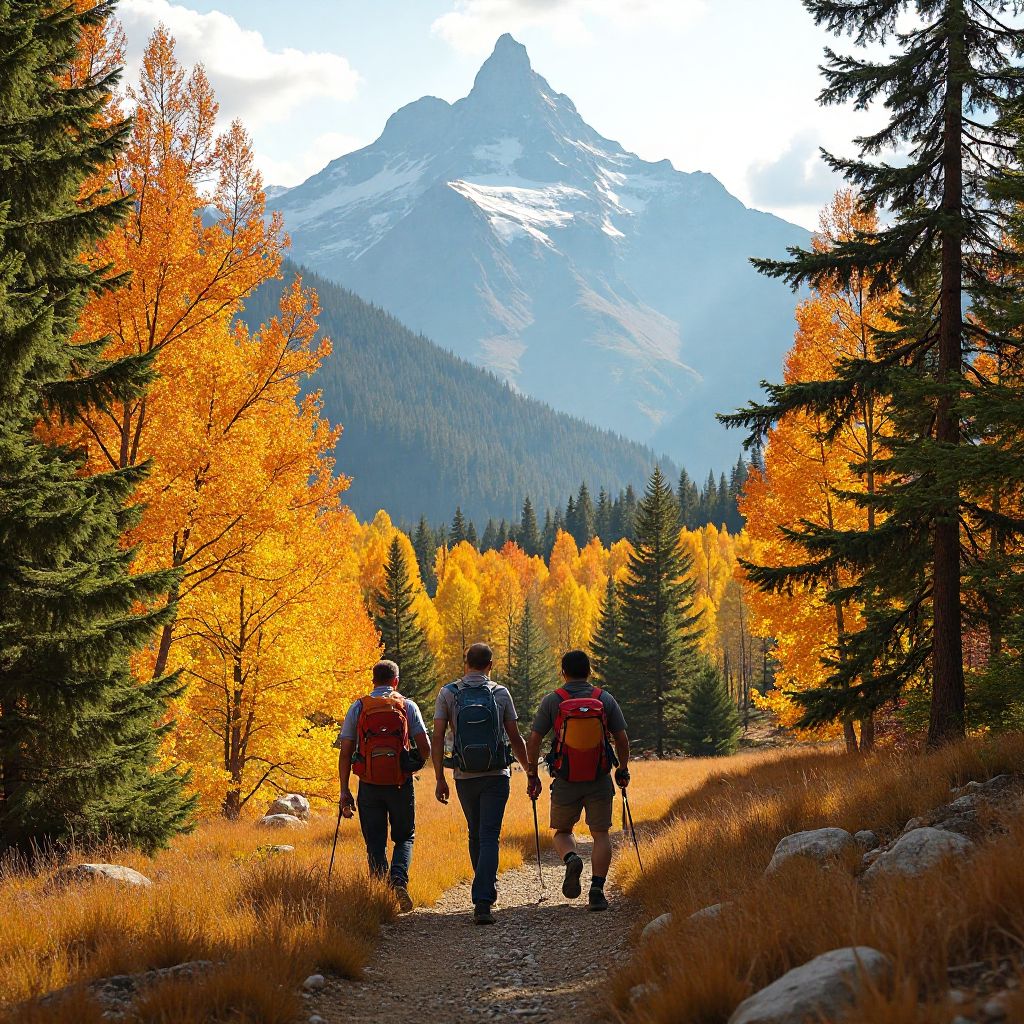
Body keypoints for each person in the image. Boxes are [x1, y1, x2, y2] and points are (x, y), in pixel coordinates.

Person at [431, 642, 530, 925]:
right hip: (497, 775)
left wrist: (439, 776)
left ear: (466, 663)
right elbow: (515, 737)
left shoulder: (448, 693)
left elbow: (438, 737)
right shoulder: (499, 693)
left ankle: (483, 891)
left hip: (464, 776)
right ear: (490, 665)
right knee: (489, 835)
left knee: (475, 833)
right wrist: (529, 771)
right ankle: (483, 898)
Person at [525, 649, 630, 912]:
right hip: (599, 777)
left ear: (563, 672)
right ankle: (597, 890)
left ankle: (571, 858)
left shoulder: (553, 701)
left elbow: (535, 739)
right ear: (589, 672)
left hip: (565, 778)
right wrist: (623, 769)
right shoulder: (603, 699)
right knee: (601, 834)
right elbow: (622, 739)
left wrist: (532, 773)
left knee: (562, 832)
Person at [336, 659, 430, 914]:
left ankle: (379, 897)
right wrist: (412, 766)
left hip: (369, 785)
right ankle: (398, 881)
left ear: (373, 681)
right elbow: (426, 748)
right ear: (395, 681)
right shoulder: (407, 706)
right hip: (400, 784)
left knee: (375, 842)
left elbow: (345, 752)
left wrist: (345, 790)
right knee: (404, 837)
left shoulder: (359, 707)